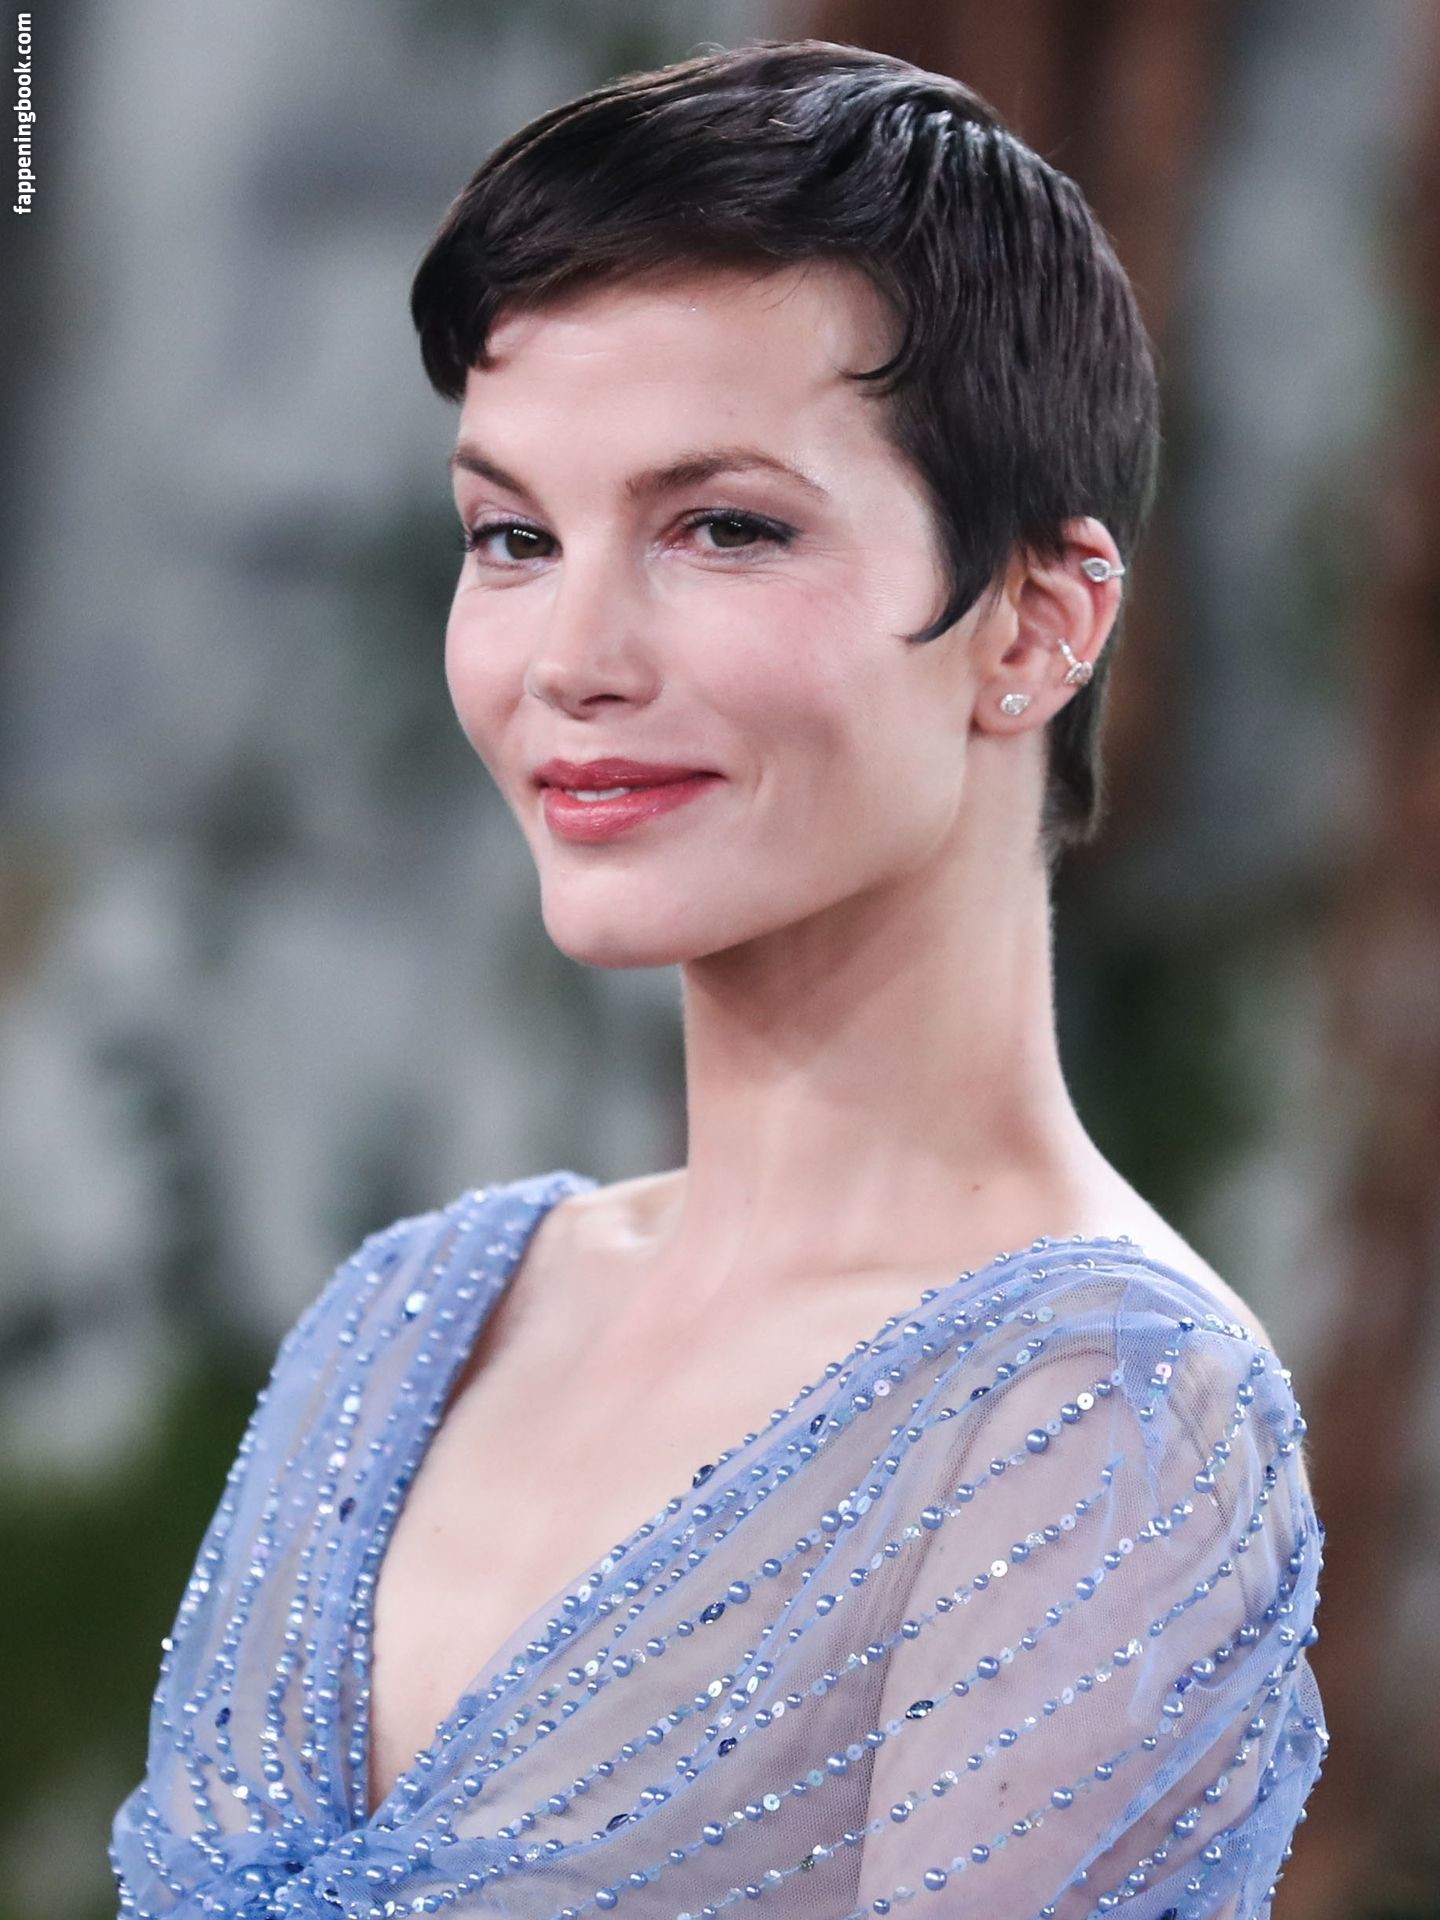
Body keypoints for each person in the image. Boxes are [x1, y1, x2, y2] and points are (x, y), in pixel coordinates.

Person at [109, 38, 1326, 1920]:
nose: (570, 657)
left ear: (1037, 621)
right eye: (514, 538)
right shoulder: (408, 1319)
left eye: (724, 527)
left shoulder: (1099, 1414)